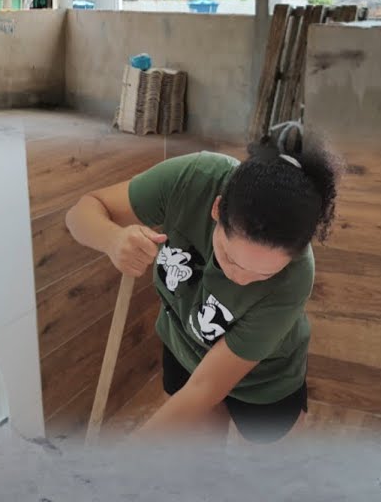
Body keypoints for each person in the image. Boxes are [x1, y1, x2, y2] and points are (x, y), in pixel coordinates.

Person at [64, 121, 340, 444]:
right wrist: (112, 239)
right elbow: (81, 213)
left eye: (263, 275)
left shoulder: (295, 278)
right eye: (230, 257)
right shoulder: (193, 181)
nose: (240, 279)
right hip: (185, 342)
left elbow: (205, 388)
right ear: (217, 208)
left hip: (266, 377)